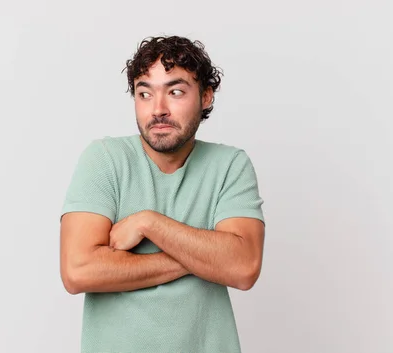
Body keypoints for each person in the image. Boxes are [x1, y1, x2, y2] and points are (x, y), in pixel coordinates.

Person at [59, 35, 266, 353]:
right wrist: (202, 258)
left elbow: (243, 268)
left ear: (206, 96)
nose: (158, 109)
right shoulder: (104, 159)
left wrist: (149, 223)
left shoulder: (230, 165)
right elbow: (78, 270)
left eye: (176, 91)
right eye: (144, 93)